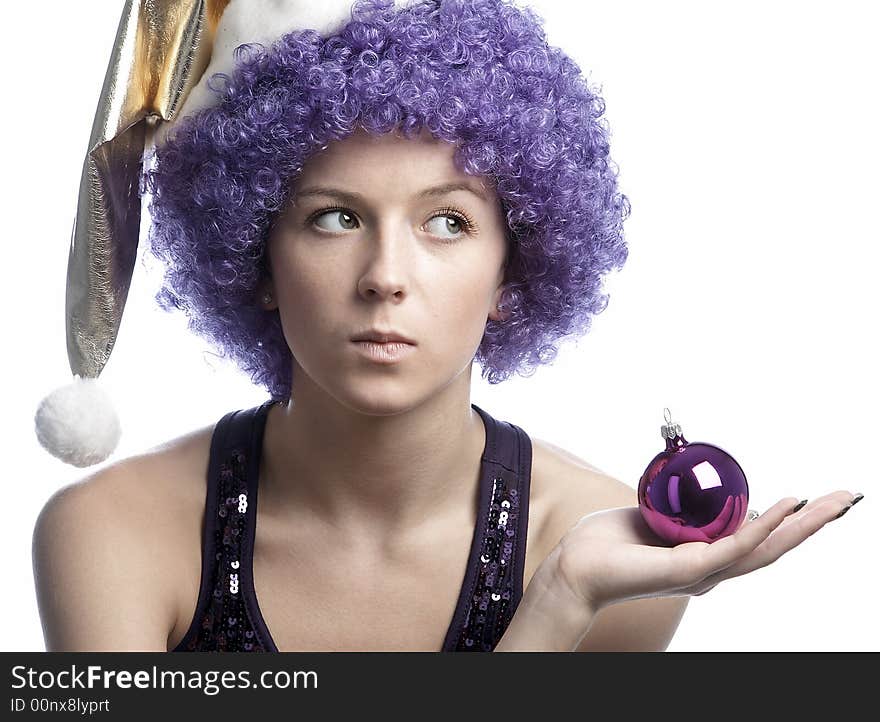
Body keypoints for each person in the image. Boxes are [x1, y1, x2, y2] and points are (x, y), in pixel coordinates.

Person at [32, 0, 859, 652]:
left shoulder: (610, 560)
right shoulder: (114, 533)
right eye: (333, 219)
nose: (386, 277)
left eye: (448, 223)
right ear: (257, 263)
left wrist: (566, 593)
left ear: (513, 269)